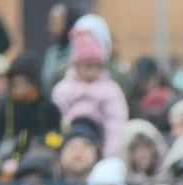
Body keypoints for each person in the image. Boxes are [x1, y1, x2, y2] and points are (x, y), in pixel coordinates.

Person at [51, 26, 126, 156]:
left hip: (101, 145)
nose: (89, 69)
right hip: (68, 145)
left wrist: (110, 154)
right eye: (85, 64)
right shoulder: (63, 89)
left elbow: (116, 125)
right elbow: (55, 121)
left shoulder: (110, 90)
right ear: (76, 65)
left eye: (94, 64)